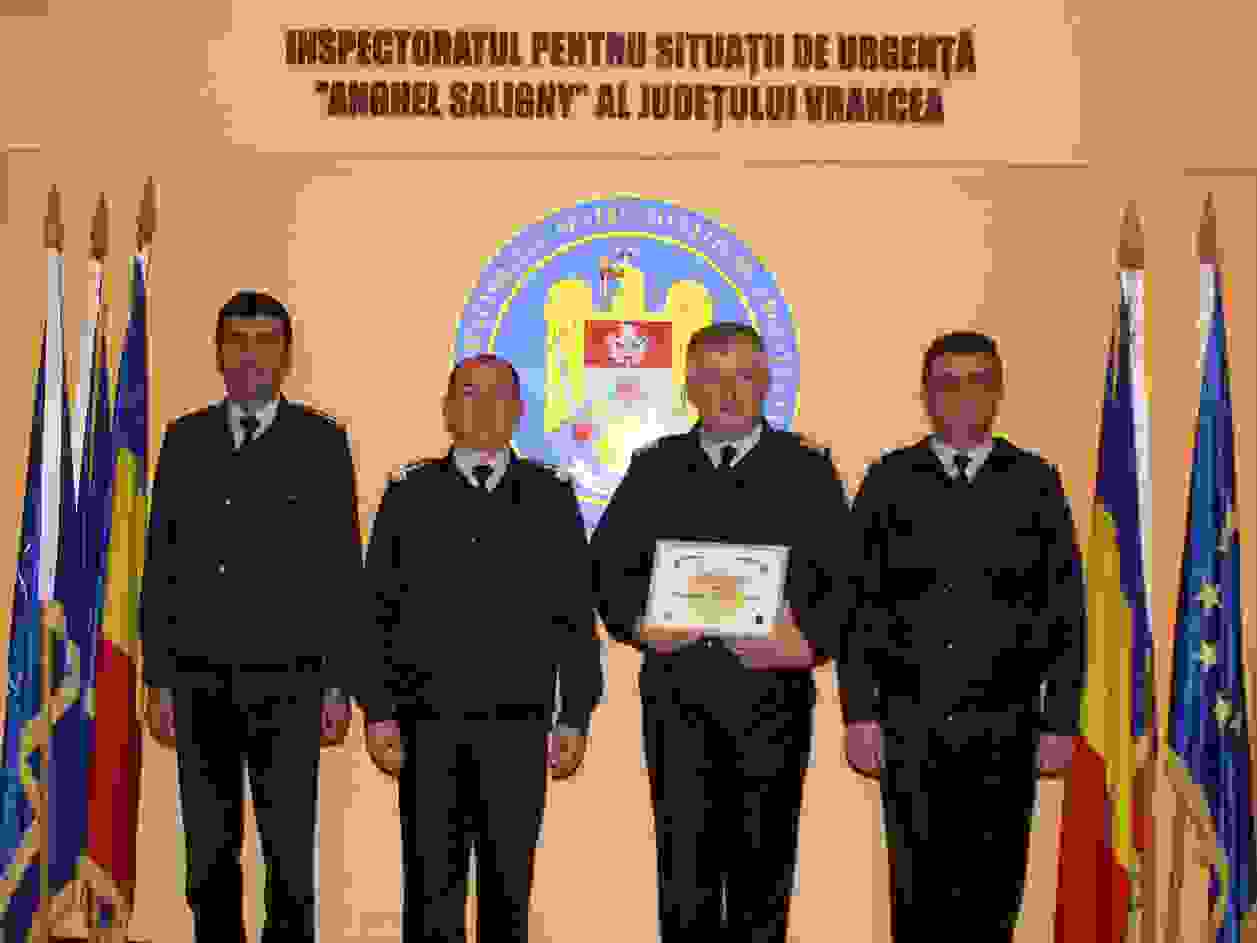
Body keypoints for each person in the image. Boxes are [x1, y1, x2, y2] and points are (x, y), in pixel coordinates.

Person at [590, 322, 851, 943]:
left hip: (773, 704)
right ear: (690, 386)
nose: (728, 390)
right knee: (685, 880)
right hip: (680, 705)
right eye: (711, 376)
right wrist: (642, 627)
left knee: (765, 878)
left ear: (764, 382)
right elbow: (606, 568)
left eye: (742, 376)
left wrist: (809, 644)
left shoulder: (806, 470)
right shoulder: (656, 468)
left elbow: (848, 581)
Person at [840, 330, 1086, 941]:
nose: (962, 394)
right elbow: (858, 608)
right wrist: (860, 714)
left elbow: (1065, 610)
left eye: (978, 380)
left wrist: (1060, 721)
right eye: (947, 382)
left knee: (995, 893)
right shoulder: (890, 480)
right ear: (925, 393)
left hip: (1007, 725)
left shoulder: (1035, 481)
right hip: (909, 724)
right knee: (916, 894)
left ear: (998, 391)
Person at [139, 290, 362, 943]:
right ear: (218, 352)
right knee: (209, 856)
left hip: (290, 684)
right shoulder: (184, 441)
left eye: (265, 342)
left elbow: (340, 573)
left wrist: (338, 682)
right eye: (236, 341)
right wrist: (158, 679)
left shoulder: (321, 444)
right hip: (199, 682)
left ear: (285, 355)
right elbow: (162, 566)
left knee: (288, 856)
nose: (249, 355)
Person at [357, 352, 603, 943]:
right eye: (469, 393)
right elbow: (376, 613)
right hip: (428, 727)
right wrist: (379, 711)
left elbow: (574, 618)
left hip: (516, 729)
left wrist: (575, 715)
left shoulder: (549, 497)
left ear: (518, 410)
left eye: (498, 394)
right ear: (447, 409)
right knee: (429, 895)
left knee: (507, 894)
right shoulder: (410, 493)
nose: (484, 406)